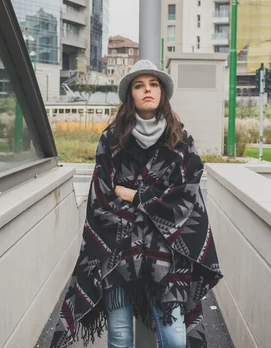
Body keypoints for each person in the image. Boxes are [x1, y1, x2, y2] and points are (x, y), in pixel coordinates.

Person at [51, 60, 222, 348]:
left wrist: (135, 196)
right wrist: (156, 200)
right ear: (130, 94)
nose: (147, 90)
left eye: (153, 85)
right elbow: (101, 197)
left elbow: (187, 193)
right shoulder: (111, 140)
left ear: (162, 93)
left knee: (176, 338)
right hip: (118, 252)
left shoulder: (180, 140)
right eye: (139, 85)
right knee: (119, 336)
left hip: (168, 255)